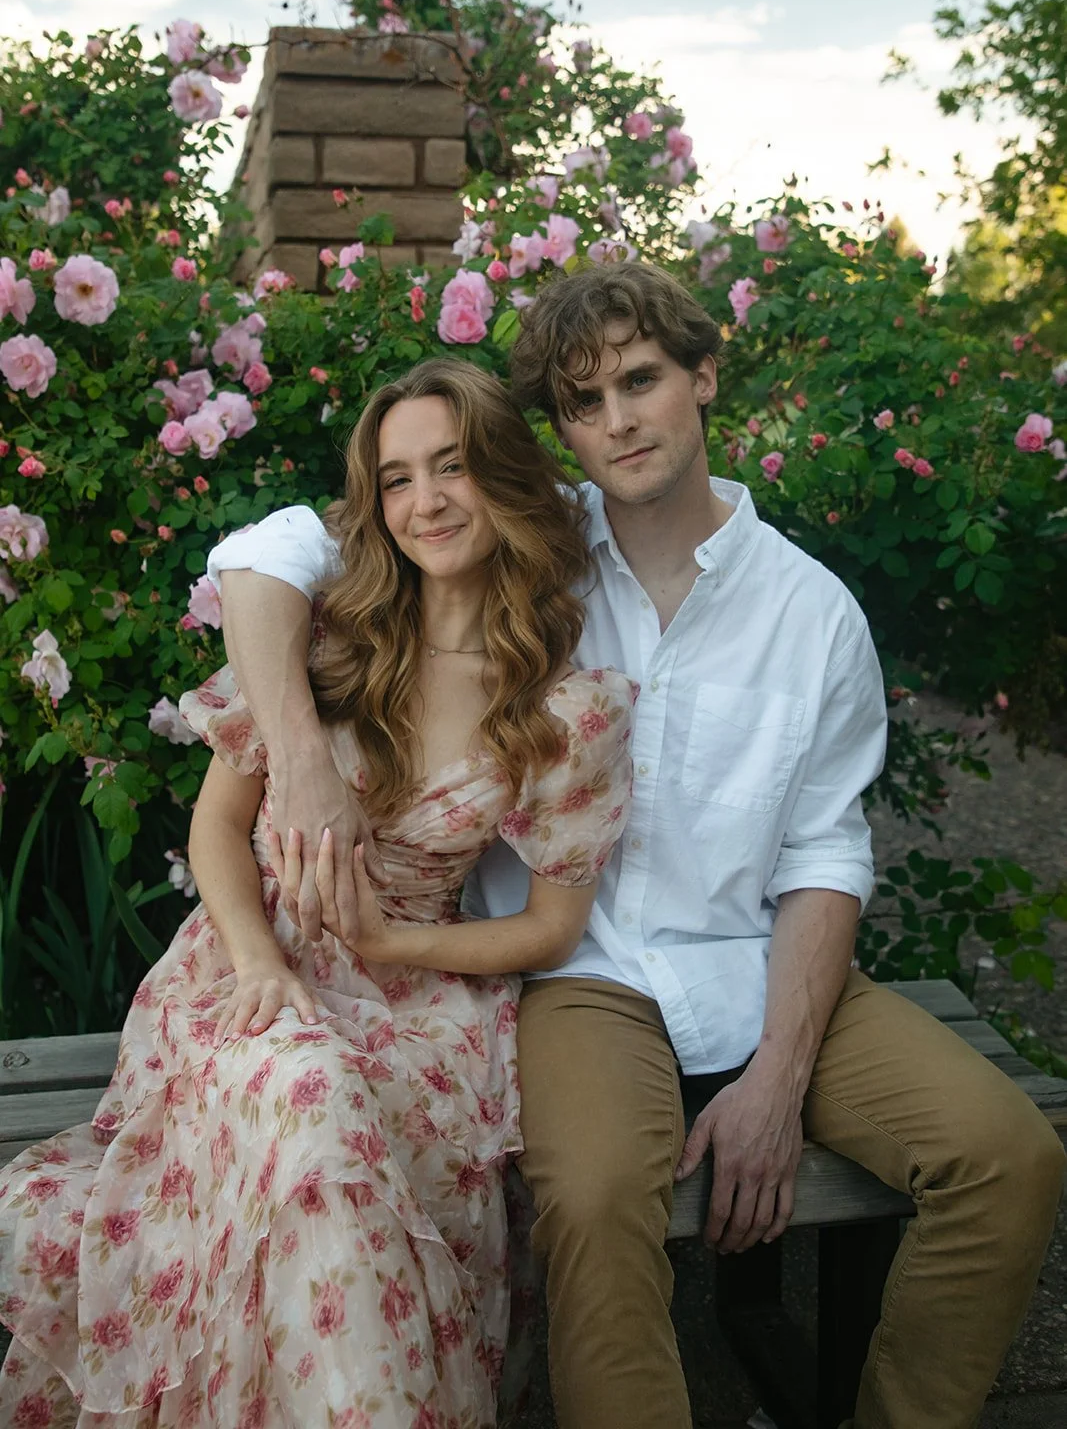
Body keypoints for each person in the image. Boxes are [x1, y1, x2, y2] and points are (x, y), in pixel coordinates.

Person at [204, 263, 1063, 1429]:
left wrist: (779, 1071)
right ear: (558, 430)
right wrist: (298, 751)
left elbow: (822, 851)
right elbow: (273, 550)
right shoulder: (527, 552)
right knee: (599, 1197)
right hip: (581, 970)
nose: (615, 421)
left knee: (1007, 1156)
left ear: (704, 377)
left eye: (641, 381)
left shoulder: (812, 617)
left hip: (754, 959)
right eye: (581, 400)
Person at [0, 358, 637, 1429]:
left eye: (452, 466)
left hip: (418, 995)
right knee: (306, 1095)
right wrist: (255, 956)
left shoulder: (566, 709)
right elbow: (215, 828)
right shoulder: (329, 643)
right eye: (395, 479)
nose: (426, 500)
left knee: (327, 1126)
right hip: (251, 965)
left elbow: (546, 927)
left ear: (504, 479)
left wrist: (389, 939)